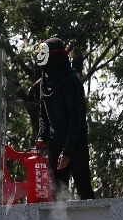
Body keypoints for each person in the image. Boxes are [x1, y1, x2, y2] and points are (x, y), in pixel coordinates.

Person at [33, 37, 95, 200]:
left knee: (84, 191)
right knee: (57, 193)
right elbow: (43, 114)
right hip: (55, 142)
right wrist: (41, 135)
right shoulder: (44, 82)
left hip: (75, 143)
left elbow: (77, 119)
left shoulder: (71, 80)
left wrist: (67, 152)